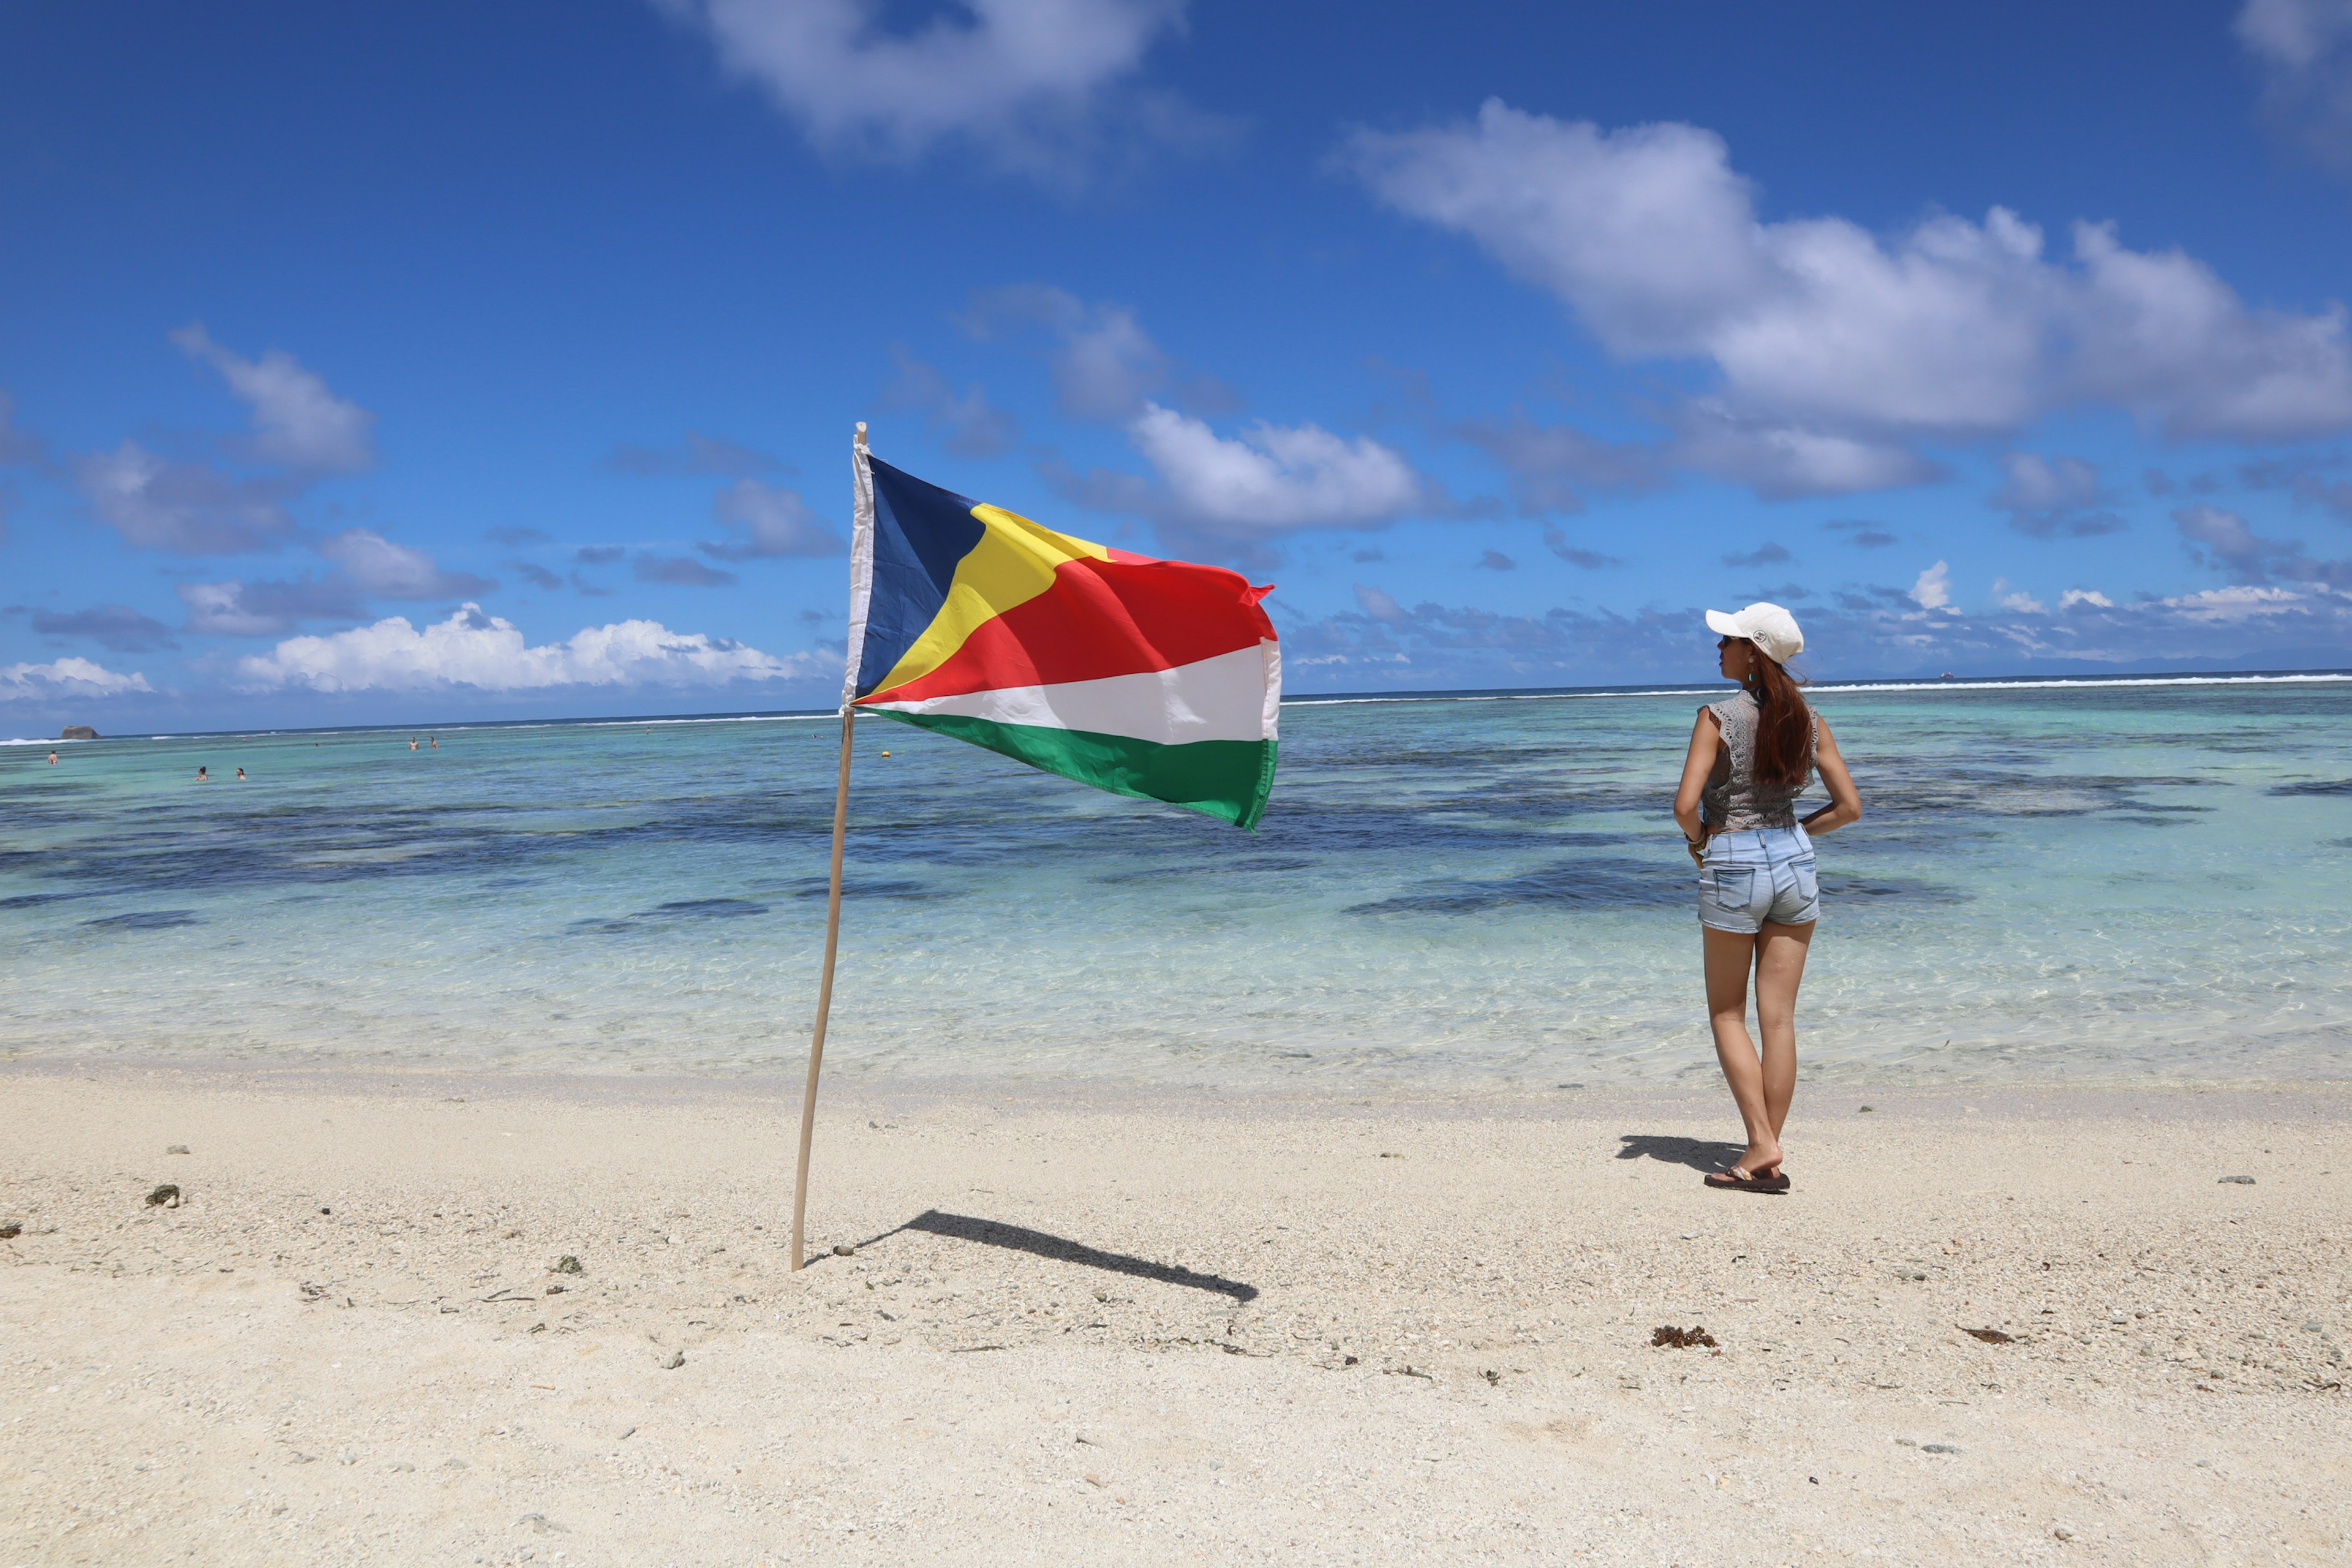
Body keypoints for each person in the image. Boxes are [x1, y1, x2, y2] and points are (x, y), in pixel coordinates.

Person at [1672, 603, 1861, 1193]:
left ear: (1753, 651)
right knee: (1778, 1019)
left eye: (1727, 640)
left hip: (1733, 859)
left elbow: (1684, 806)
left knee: (1727, 1012)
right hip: (1796, 861)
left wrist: (1702, 842)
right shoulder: (1809, 720)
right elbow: (1850, 808)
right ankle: (1765, 1154)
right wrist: (1798, 832)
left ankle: (1761, 1144)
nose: (1718, 648)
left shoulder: (1716, 717)